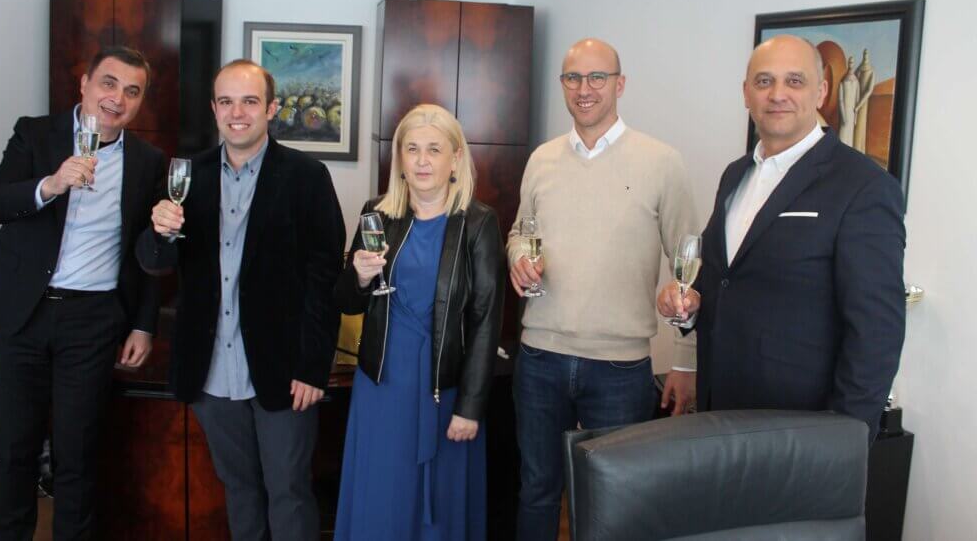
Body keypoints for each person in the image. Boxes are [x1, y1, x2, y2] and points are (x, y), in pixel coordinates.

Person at [658, 34, 906, 440]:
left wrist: (844, 441)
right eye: (764, 81)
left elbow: (877, 333)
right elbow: (724, 281)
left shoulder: (863, 186)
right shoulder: (735, 175)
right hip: (720, 416)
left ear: (821, 91)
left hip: (799, 431)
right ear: (746, 93)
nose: (777, 94)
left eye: (794, 81)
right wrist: (688, 305)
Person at [0, 46, 164, 540]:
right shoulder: (35, 134)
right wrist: (49, 185)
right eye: (109, 83)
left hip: (93, 319)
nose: (117, 99)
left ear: (140, 102)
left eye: (132, 91)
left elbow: (147, 253)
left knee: (78, 453)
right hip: (24, 313)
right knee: (16, 449)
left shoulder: (148, 161)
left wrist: (143, 324)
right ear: (85, 83)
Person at [137, 59, 345, 539]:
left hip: (284, 372)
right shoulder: (187, 174)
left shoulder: (307, 176)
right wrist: (158, 231)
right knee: (238, 489)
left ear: (270, 108)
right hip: (211, 372)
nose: (237, 113)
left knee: (289, 492)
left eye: (249, 101)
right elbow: (153, 262)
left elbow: (325, 280)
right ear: (214, 109)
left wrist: (313, 367)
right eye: (226, 102)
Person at [507, 38, 699, 540]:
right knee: (536, 490)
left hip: (619, 368)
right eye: (573, 78)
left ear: (620, 84)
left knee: (612, 500)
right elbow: (519, 232)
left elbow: (688, 266)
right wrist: (518, 258)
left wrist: (685, 361)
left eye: (597, 77)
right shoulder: (542, 159)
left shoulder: (662, 162)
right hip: (540, 357)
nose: (584, 89)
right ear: (563, 85)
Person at [333, 104, 503, 541]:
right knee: (383, 495)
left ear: (455, 158)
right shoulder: (376, 213)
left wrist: (470, 407)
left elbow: (486, 321)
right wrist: (360, 276)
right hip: (382, 385)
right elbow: (347, 301)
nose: (422, 161)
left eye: (434, 149)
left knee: (441, 504)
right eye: (412, 149)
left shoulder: (479, 223)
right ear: (400, 159)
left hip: (445, 388)